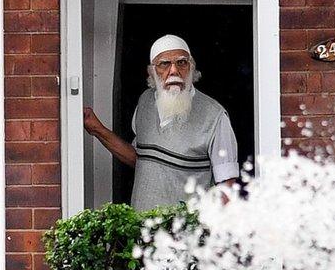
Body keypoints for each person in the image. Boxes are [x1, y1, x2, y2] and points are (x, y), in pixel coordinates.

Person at [82, 35, 242, 209]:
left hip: (187, 232)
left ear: (191, 68)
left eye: (181, 63)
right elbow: (141, 160)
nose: (174, 71)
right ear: (151, 72)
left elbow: (227, 185)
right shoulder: (145, 102)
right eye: (164, 64)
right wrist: (97, 130)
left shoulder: (215, 116)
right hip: (142, 227)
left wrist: (206, 230)